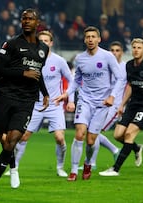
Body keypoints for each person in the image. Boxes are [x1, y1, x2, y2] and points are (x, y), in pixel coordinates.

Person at [0, 9, 50, 200]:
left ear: (37, 22)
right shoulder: (12, 44)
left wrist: (45, 93)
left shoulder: (43, 49)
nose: (26, 21)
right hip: (5, 98)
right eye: (24, 18)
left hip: (26, 102)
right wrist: (22, 73)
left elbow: (37, 72)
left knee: (11, 143)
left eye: (30, 19)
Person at [4, 30, 75, 189]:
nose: (43, 42)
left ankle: (60, 167)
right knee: (23, 137)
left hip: (54, 105)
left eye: (46, 40)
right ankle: (14, 168)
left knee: (59, 137)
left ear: (51, 43)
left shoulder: (59, 61)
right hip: (34, 105)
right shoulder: (30, 59)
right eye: (40, 39)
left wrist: (69, 99)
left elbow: (72, 81)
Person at [54, 26, 125, 181]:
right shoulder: (80, 58)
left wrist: (112, 97)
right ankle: (73, 171)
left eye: (93, 36)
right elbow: (76, 81)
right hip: (85, 100)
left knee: (91, 140)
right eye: (88, 37)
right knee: (79, 133)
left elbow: (120, 78)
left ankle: (87, 163)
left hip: (102, 103)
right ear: (84, 39)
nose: (91, 39)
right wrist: (67, 94)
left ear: (99, 39)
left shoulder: (107, 56)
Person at [99, 38, 143, 176]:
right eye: (134, 47)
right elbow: (130, 85)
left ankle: (115, 169)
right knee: (118, 135)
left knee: (129, 134)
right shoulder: (129, 65)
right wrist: (122, 105)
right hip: (132, 105)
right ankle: (136, 148)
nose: (136, 50)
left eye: (139, 48)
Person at [78, 41, 125, 170]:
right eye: (112, 50)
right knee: (92, 132)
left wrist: (123, 104)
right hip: (101, 102)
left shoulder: (125, 68)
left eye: (117, 50)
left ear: (122, 53)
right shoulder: (106, 63)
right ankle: (114, 151)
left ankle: (93, 162)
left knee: (94, 132)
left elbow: (128, 86)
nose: (114, 53)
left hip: (114, 106)